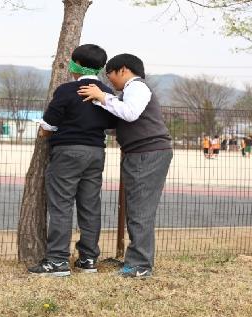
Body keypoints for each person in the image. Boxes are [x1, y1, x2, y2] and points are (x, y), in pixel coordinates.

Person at [78, 53, 172, 278]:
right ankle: (137, 261)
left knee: (140, 210)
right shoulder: (128, 91)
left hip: (147, 152)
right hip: (140, 153)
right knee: (137, 209)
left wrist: (102, 97)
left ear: (123, 70)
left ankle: (139, 265)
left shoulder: (137, 88)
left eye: (110, 75)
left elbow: (130, 114)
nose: (109, 81)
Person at [27, 44, 117, 277]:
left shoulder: (67, 90)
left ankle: (57, 260)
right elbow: (112, 123)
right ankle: (88, 259)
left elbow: (48, 125)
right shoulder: (106, 92)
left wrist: (44, 133)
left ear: (75, 63)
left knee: (61, 205)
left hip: (68, 152)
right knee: (90, 205)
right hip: (96, 152)